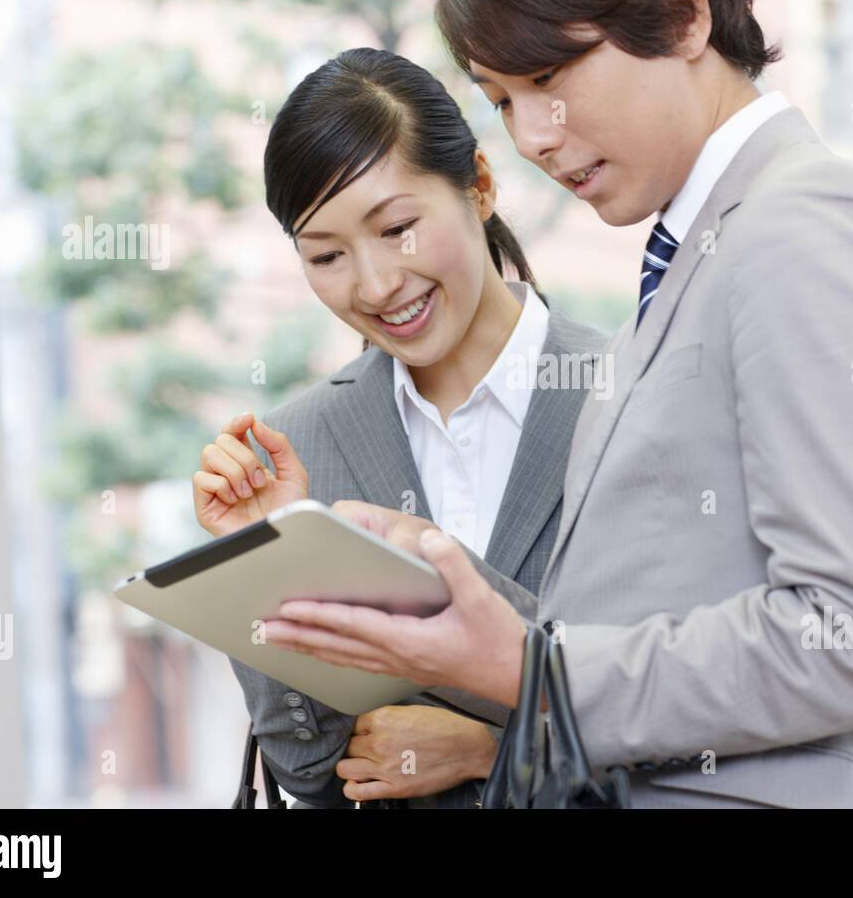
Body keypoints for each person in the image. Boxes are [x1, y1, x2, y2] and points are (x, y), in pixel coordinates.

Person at [265, 0, 853, 807]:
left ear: (684, 11)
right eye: (502, 101)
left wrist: (536, 672)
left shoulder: (804, 228)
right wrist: (439, 579)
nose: (531, 137)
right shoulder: (699, 256)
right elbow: (648, 616)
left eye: (550, 77)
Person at [191, 47, 607, 807]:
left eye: (399, 229)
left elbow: (699, 709)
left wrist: (499, 749)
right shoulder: (301, 444)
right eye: (327, 255)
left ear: (479, 186)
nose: (377, 284)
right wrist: (264, 562)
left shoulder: (627, 397)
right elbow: (307, 769)